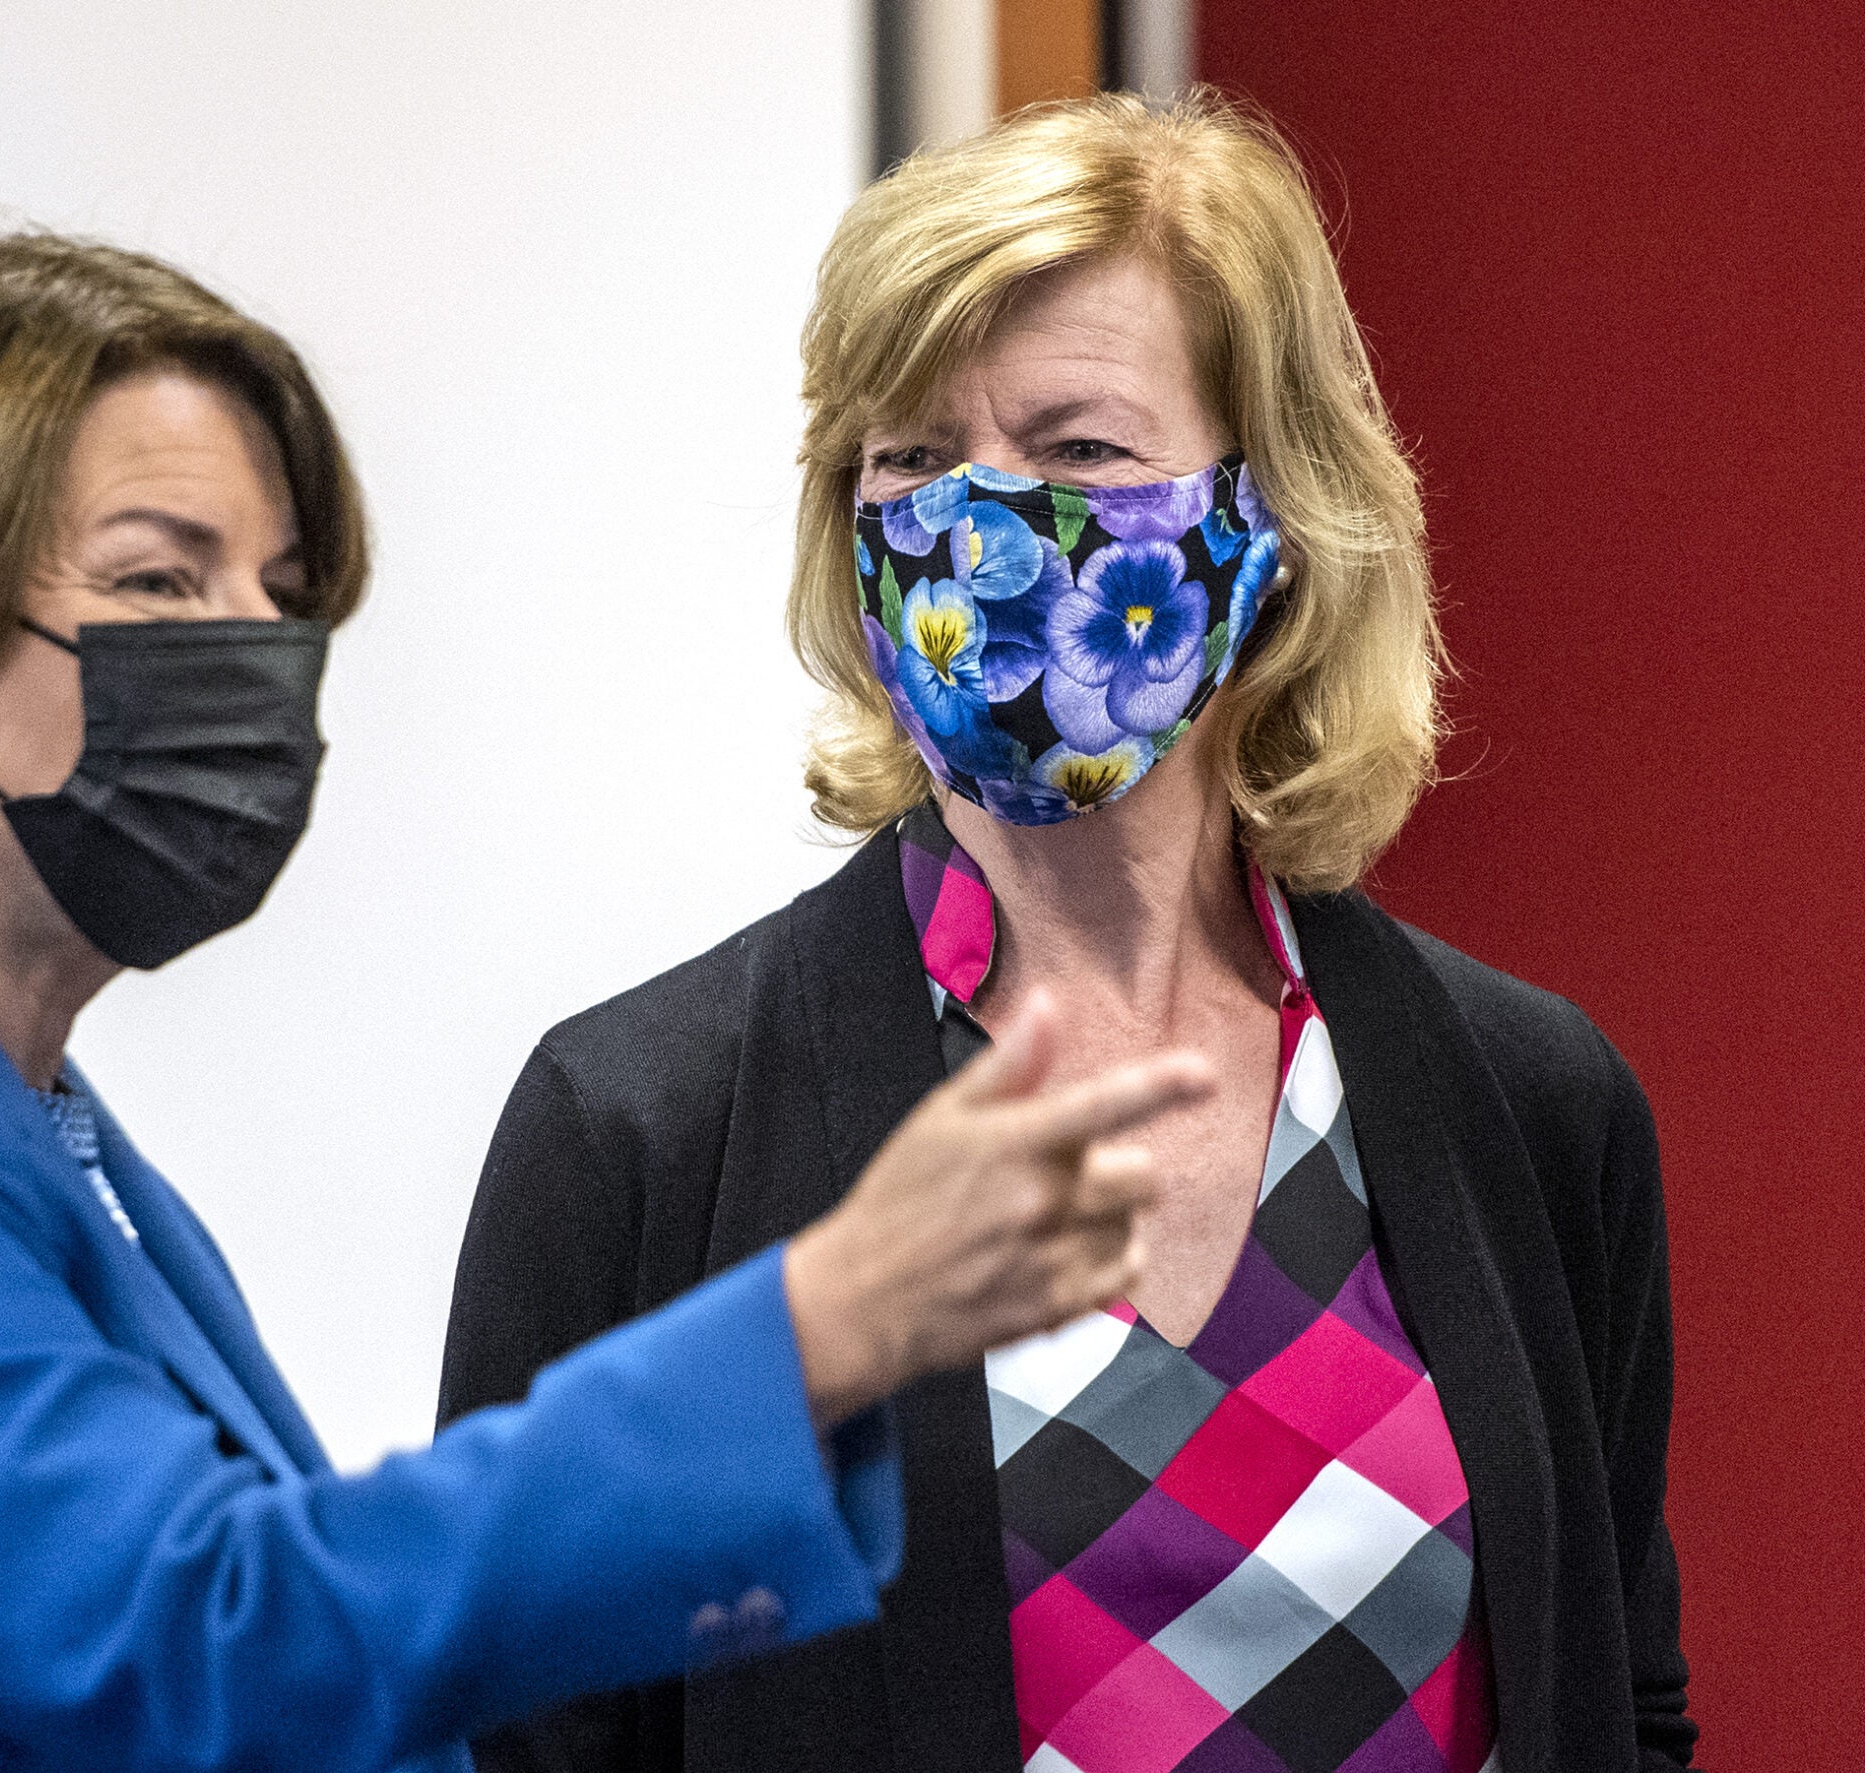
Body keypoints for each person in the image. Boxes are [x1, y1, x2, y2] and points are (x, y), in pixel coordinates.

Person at [0, 227, 1218, 1773]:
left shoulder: (8, 1103)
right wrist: (822, 1316)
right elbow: (225, 1639)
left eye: (278, 592)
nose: (260, 654)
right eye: (158, 577)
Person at [439, 90, 1696, 1773]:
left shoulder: (1535, 1109)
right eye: (910, 456)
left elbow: (1618, 1703)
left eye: (1077, 449)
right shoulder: (645, 1133)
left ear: (1271, 519)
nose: (977, 521)